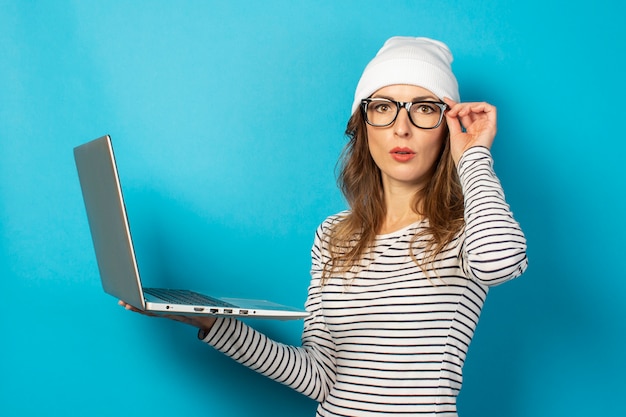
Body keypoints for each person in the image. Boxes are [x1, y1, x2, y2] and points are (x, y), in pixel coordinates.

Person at [120, 36, 528, 416]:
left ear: (446, 126)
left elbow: (501, 261)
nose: (401, 128)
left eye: (424, 109)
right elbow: (318, 376)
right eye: (383, 107)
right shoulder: (334, 234)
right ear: (363, 124)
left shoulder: (466, 229)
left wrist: (472, 155)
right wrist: (212, 322)